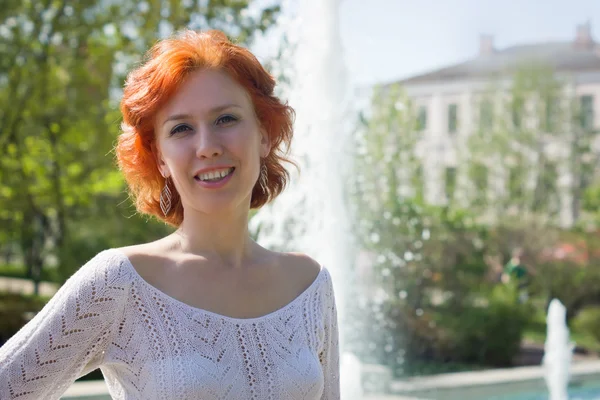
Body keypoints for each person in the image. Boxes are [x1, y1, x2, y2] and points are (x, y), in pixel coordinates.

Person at [0, 30, 340, 399]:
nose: (207, 146)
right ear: (160, 158)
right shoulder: (120, 282)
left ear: (263, 135)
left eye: (226, 119)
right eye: (181, 129)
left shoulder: (310, 285)